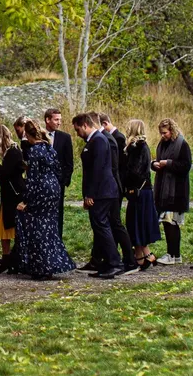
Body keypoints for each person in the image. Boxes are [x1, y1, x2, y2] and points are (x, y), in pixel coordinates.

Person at [15, 118, 77, 280]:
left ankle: (41, 266)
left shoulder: (34, 151)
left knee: (37, 228)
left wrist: (25, 200)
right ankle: (54, 262)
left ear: (28, 135)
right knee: (50, 226)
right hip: (54, 188)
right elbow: (58, 169)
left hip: (41, 188)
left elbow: (32, 178)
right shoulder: (49, 148)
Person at [77, 112, 124, 278]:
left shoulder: (98, 140)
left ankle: (114, 262)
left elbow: (96, 170)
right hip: (105, 190)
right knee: (101, 226)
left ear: (85, 125)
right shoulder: (97, 139)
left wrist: (90, 194)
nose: (77, 133)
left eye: (77, 129)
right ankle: (107, 262)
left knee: (101, 225)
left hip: (102, 191)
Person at [153, 118, 192, 266]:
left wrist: (168, 163)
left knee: (172, 223)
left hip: (176, 190)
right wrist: (154, 164)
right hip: (163, 188)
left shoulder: (182, 145)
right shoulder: (163, 144)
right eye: (161, 133)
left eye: (165, 132)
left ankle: (174, 254)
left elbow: (186, 166)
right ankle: (172, 253)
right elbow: (158, 159)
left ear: (172, 130)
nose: (163, 135)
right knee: (166, 222)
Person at [122, 119, 160, 270]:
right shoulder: (140, 146)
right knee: (136, 222)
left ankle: (143, 256)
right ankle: (144, 255)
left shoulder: (137, 147)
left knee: (137, 222)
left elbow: (136, 171)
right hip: (143, 190)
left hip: (139, 190)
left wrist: (125, 179)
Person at [0, 124, 25, 274]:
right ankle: (7, 258)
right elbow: (7, 174)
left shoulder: (14, 151)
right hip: (8, 194)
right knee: (5, 227)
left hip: (14, 195)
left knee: (12, 227)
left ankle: (14, 259)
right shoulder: (10, 152)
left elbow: (7, 171)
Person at [44, 108, 75, 239]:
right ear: (47, 120)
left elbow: (69, 163)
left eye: (60, 120)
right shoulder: (38, 136)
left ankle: (57, 240)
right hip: (42, 183)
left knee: (58, 213)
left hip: (58, 183)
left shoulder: (65, 138)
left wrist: (63, 181)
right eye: (56, 119)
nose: (59, 122)